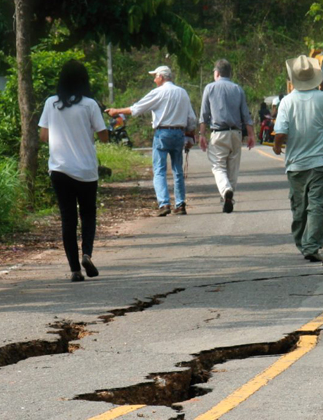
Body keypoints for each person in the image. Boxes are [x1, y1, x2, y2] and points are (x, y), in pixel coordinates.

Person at [39, 60, 108, 283]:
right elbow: (103, 136)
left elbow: (43, 136)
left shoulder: (51, 103)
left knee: (68, 219)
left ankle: (75, 270)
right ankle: (87, 254)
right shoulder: (90, 105)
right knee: (88, 215)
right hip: (86, 169)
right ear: (84, 81)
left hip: (60, 169)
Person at [273, 55, 323, 262]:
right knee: (317, 205)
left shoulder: (287, 101)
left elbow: (281, 133)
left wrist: (276, 147)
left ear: (293, 78)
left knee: (299, 207)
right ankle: (312, 245)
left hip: (296, 164)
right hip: (321, 162)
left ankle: (304, 244)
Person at [107, 65, 197, 216]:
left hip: (163, 133)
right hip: (179, 133)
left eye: (155, 77)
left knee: (159, 170)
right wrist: (189, 136)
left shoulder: (158, 92)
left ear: (161, 77)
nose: (155, 80)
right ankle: (180, 204)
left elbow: (136, 109)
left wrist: (116, 111)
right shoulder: (182, 93)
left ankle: (164, 203)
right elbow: (192, 118)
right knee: (177, 170)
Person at [199, 59, 256, 213]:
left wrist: (202, 135)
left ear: (217, 73)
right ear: (230, 73)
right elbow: (246, 114)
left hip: (218, 133)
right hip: (236, 133)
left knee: (218, 166)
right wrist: (251, 134)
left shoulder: (209, 88)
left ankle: (225, 191)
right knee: (233, 167)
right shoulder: (238, 89)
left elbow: (204, 115)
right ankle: (228, 197)